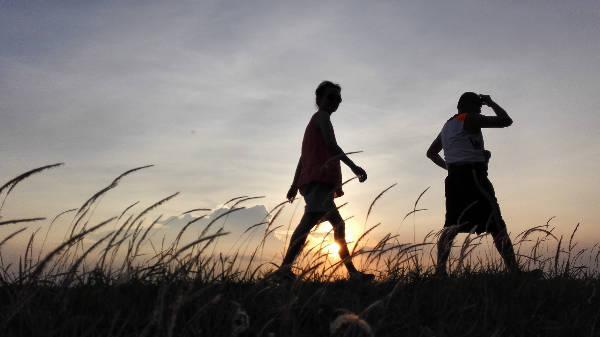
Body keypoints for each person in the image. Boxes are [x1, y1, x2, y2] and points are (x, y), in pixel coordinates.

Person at [273, 80, 374, 282]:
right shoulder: (322, 118)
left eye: (338, 99)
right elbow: (331, 145)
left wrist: (294, 185)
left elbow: (303, 157)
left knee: (326, 224)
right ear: (318, 99)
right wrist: (354, 167)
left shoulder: (316, 121)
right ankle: (285, 270)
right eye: (330, 97)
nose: (334, 102)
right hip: (318, 182)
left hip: (316, 183)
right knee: (324, 223)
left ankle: (285, 270)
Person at [426, 92, 520, 276]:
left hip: (454, 179)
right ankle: (515, 272)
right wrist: (491, 102)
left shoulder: (448, 125)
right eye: (479, 105)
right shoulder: (469, 118)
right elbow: (506, 120)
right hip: (474, 177)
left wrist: (452, 167)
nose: (480, 109)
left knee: (452, 225)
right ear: (469, 105)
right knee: (496, 224)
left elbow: (431, 153)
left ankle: (440, 272)